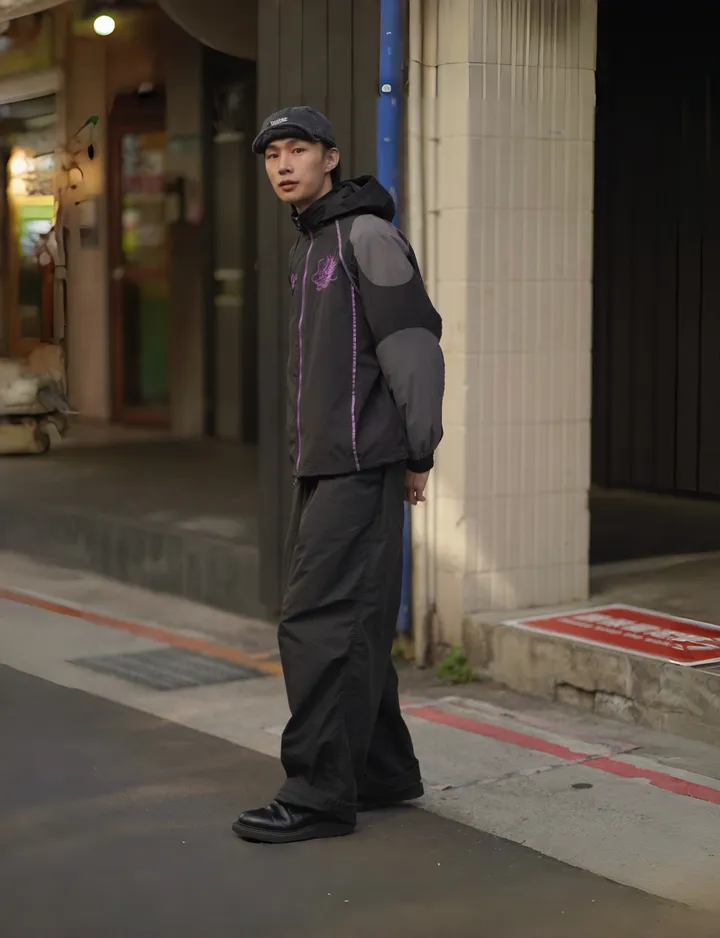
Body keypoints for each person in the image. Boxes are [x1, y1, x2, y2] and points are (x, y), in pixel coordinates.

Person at [232, 106, 444, 844]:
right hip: (325, 465)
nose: (283, 164)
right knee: (354, 620)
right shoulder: (310, 244)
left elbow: (413, 346)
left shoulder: (366, 236)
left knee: (320, 624)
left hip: (360, 464)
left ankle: (319, 795)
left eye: (298, 150)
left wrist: (419, 452)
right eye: (272, 155)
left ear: (331, 158)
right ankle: (382, 771)